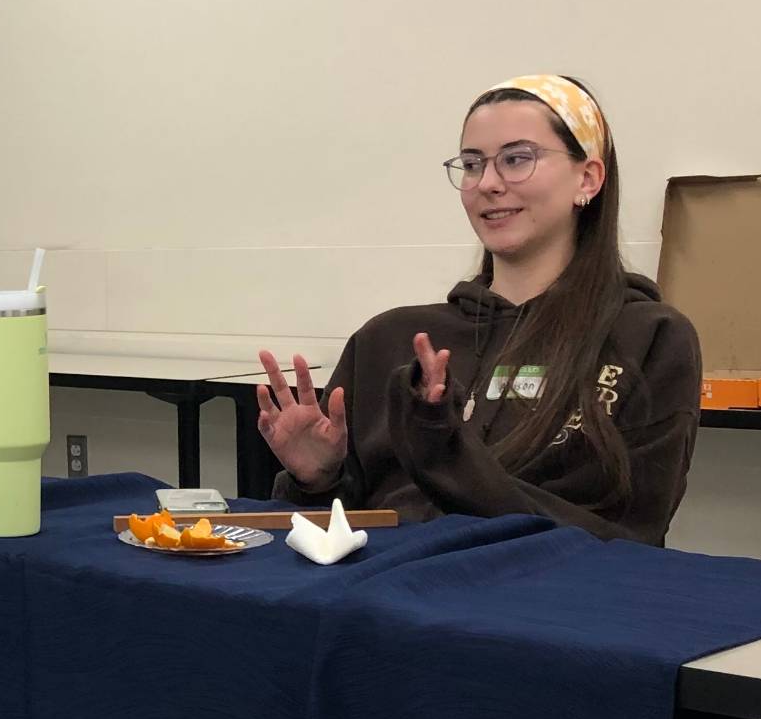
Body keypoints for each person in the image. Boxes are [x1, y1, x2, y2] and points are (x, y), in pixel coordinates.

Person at [257, 75, 701, 544]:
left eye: (517, 159)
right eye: (472, 164)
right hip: (380, 585)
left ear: (587, 178)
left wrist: (445, 458)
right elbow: (328, 537)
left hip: (539, 590)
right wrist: (316, 482)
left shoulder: (647, 337)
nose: (487, 183)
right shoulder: (391, 340)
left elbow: (630, 539)